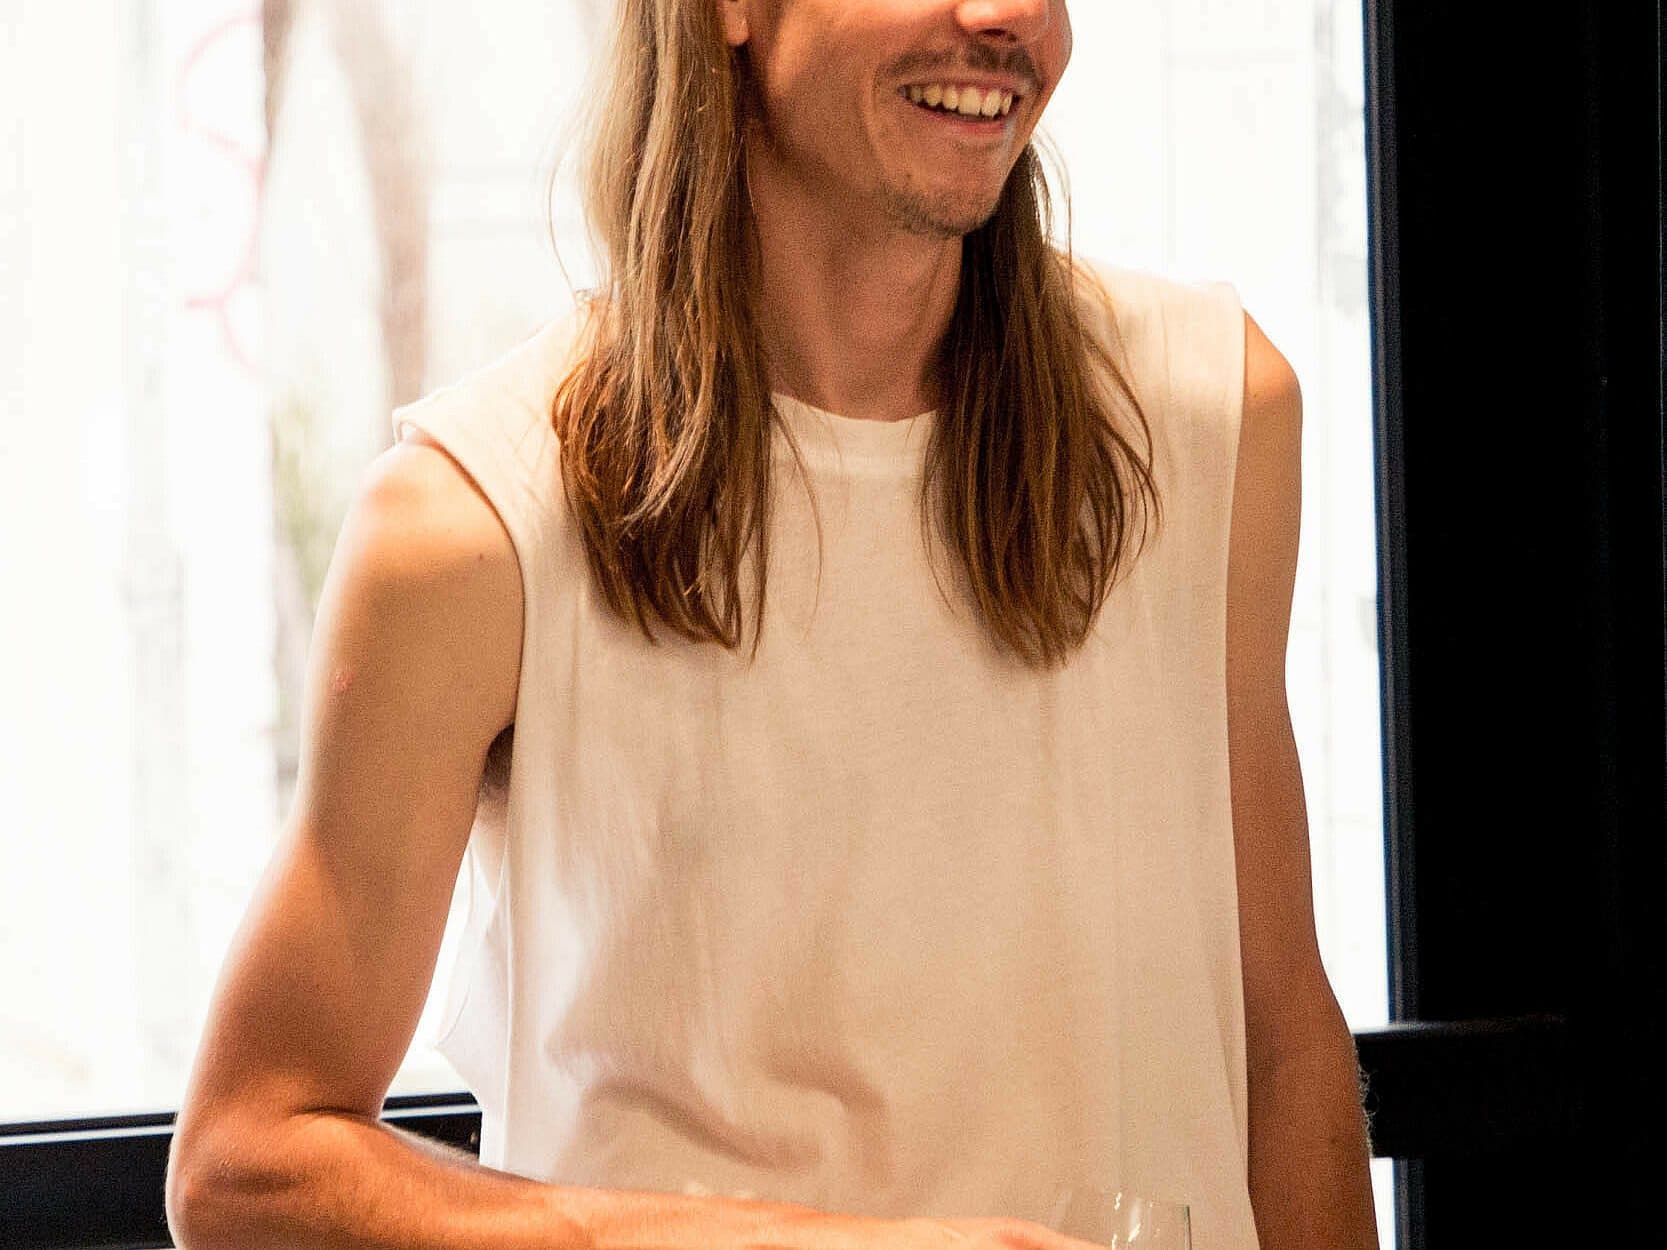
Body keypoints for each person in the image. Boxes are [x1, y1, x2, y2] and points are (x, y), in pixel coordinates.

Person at [166, 3, 1379, 1249]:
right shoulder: (472, 529)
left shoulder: (1208, 420)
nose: (1010, 16)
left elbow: (1282, 1042)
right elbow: (245, 1163)